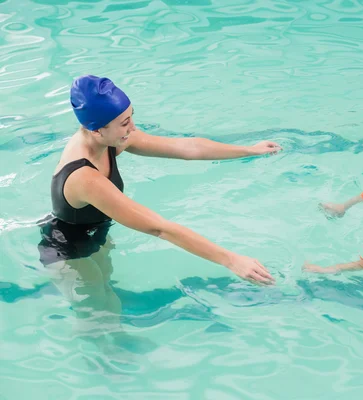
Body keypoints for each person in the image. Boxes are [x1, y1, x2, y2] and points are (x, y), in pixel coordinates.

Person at [37, 75, 281, 346]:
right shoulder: (84, 177)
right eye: (125, 123)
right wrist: (231, 260)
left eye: (131, 117)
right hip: (68, 251)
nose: (133, 128)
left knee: (110, 302)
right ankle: (100, 366)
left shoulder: (108, 136)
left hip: (96, 231)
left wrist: (248, 150)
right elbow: (159, 228)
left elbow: (186, 148)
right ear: (96, 130)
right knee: (97, 317)